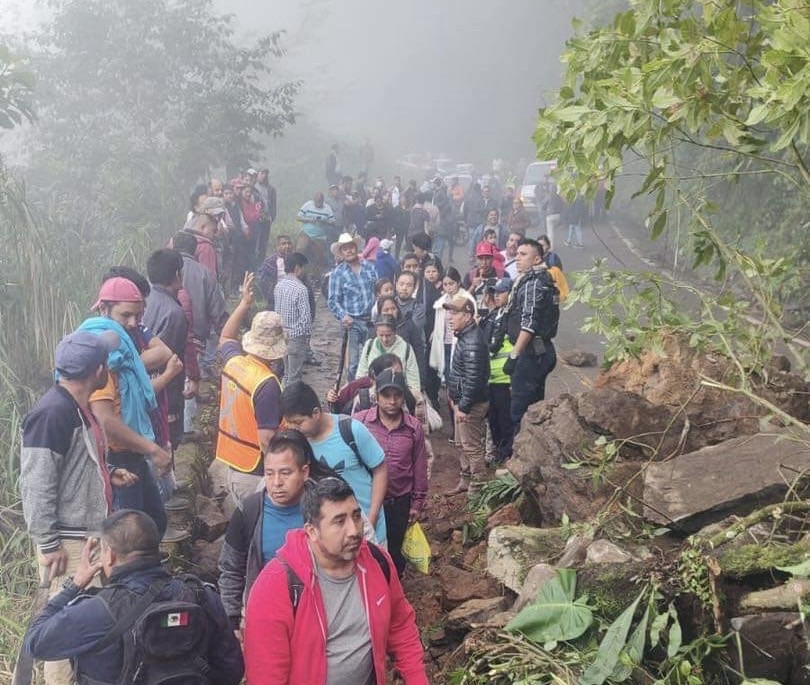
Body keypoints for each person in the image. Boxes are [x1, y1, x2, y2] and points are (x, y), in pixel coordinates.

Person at [24, 509, 243, 685]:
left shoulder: (98, 610)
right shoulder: (199, 594)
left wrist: (73, 585)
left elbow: (35, 643)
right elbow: (231, 669)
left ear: (109, 554)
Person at [244, 477, 427, 684]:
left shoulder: (377, 561)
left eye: (356, 517)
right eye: (339, 521)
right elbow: (266, 674)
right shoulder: (276, 586)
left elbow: (401, 626)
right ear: (312, 531)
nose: (354, 531)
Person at [20, 331, 118, 685]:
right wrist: (48, 543)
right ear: (97, 370)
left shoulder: (76, 408)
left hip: (86, 536)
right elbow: (36, 484)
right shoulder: (52, 413)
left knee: (85, 625)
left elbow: (73, 469)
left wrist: (108, 476)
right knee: (63, 631)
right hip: (67, 543)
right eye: (105, 363)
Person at [86, 278, 172, 536]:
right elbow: (105, 420)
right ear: (104, 309)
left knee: (154, 522)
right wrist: (152, 448)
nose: (133, 323)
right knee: (130, 536)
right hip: (117, 459)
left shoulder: (122, 347)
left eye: (138, 315)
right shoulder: (101, 353)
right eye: (125, 315)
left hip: (132, 453)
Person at [218, 429, 323, 637]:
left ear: (304, 472)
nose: (276, 483)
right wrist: (232, 620)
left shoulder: (324, 507)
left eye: (285, 473)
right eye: (269, 473)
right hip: (266, 618)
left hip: (318, 617)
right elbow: (231, 569)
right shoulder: (249, 511)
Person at [280, 382, 388, 543]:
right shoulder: (299, 445)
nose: (295, 428)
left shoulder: (351, 430)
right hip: (330, 539)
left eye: (298, 422)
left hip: (368, 530)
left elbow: (380, 470)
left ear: (316, 413)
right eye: (291, 424)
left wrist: (370, 519)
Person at [215, 273, 287, 505]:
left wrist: (244, 304)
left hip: (231, 460)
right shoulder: (266, 384)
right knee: (260, 533)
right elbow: (266, 440)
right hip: (254, 471)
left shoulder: (234, 362)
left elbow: (226, 336)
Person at [354, 369, 428, 577]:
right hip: (366, 500)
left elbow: (419, 466)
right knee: (365, 548)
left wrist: (417, 502)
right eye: (386, 395)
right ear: (376, 397)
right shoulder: (359, 423)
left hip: (399, 501)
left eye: (397, 395)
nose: (392, 401)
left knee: (394, 552)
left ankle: (393, 591)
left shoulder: (413, 428)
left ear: (403, 397)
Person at [504, 238, 560, 430]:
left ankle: (520, 454)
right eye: (517, 254)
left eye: (523, 254)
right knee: (535, 405)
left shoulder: (533, 283)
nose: (517, 258)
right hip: (540, 351)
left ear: (536, 260)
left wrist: (514, 355)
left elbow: (528, 323)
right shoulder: (540, 279)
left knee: (520, 409)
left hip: (530, 352)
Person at [143, 248, 193, 450]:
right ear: (177, 275)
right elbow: (168, 360)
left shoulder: (145, 300)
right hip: (163, 391)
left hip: (148, 386)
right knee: (168, 440)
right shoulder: (174, 313)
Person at [444, 295, 490, 495]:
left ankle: (478, 486)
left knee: (471, 446)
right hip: (462, 402)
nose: (450, 317)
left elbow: (474, 379)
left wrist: (463, 406)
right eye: (450, 313)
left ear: (468, 315)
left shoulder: (472, 342)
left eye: (455, 313)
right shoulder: (466, 336)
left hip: (471, 404)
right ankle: (466, 480)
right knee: (461, 444)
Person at [327, 232, 378, 381]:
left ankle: (372, 390)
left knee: (373, 358)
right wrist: (343, 316)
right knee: (353, 363)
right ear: (341, 253)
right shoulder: (338, 273)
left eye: (351, 248)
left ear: (357, 249)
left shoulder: (369, 267)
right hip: (352, 323)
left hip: (371, 321)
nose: (349, 251)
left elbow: (378, 290)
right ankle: (353, 393)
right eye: (345, 249)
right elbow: (333, 300)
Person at [481, 277, 515, 464]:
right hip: (491, 378)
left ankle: (507, 455)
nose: (497, 295)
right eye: (496, 292)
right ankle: (499, 453)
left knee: (506, 420)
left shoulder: (514, 318)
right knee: (493, 420)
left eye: (502, 292)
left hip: (506, 378)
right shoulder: (494, 316)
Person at [428, 267, 477, 387]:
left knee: (459, 374)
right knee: (447, 373)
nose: (448, 287)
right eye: (445, 284)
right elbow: (440, 323)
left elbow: (473, 321)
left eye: (451, 283)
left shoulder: (466, 299)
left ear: (458, 282)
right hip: (445, 342)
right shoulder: (442, 301)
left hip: (460, 343)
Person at [356, 315, 421, 397]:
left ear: (395, 332)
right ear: (376, 333)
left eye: (388, 335)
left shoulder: (406, 349)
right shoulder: (369, 346)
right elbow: (361, 374)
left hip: (397, 395)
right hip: (372, 394)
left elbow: (414, 382)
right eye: (381, 335)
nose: (384, 339)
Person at [274, 252, 312, 386]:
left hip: (281, 336)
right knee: (295, 378)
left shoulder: (278, 286)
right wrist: (304, 338)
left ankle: (281, 401)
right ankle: (290, 405)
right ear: (297, 268)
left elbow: (276, 312)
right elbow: (305, 320)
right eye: (303, 268)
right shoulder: (301, 289)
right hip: (295, 338)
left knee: (286, 374)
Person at [296, 192, 335, 267]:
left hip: (319, 236)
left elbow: (333, 222)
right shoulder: (308, 204)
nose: (318, 204)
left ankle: (316, 272)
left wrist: (324, 221)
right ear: (314, 200)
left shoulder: (327, 208)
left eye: (320, 202)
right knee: (300, 249)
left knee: (319, 257)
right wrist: (310, 220)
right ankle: (297, 266)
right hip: (306, 232)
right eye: (316, 202)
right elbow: (298, 217)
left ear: (323, 201)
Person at [257, 233, 293, 310]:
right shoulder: (270, 262)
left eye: (289, 243)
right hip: (274, 297)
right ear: (278, 247)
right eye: (283, 244)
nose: (287, 246)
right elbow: (263, 282)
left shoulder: (296, 260)